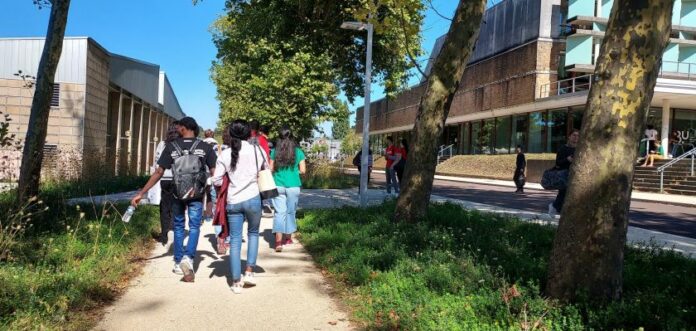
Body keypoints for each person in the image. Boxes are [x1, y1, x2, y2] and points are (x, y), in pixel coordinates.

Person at [131, 117, 217, 282]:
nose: (177, 129)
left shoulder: (172, 147)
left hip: (177, 193)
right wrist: (217, 195)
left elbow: (159, 172)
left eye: (179, 127)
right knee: (194, 226)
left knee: (178, 226)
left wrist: (142, 193)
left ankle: (178, 261)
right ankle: (189, 258)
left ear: (184, 128)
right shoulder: (204, 147)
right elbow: (215, 173)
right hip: (196, 195)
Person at [212, 120, 266, 294]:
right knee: (253, 234)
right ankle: (249, 272)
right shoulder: (257, 150)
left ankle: (236, 282)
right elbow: (266, 170)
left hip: (233, 200)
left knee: (235, 240)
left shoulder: (225, 154)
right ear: (248, 133)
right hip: (253, 198)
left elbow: (217, 180)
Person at [269, 126, 306, 252]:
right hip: (294, 185)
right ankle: (288, 238)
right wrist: (294, 172)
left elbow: (271, 169)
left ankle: (278, 242)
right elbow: (303, 170)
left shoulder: (274, 151)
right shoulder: (298, 152)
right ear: (292, 137)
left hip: (278, 184)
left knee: (279, 212)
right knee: (291, 211)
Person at [151, 123, 181, 247]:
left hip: (164, 178)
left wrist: (154, 176)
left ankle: (164, 236)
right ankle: (174, 230)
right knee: (177, 205)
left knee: (165, 206)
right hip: (178, 179)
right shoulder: (181, 144)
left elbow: (156, 161)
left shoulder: (162, 144)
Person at [549, 129, 579, 216]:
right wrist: (567, 159)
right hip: (564, 175)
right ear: (569, 136)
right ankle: (554, 206)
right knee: (563, 193)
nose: (576, 137)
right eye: (574, 135)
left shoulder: (579, 149)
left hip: (575, 175)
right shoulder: (563, 148)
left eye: (577, 136)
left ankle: (560, 209)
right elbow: (558, 162)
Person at [202, 129, 219, 223]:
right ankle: (210, 215)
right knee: (211, 193)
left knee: (202, 194)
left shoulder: (201, 144)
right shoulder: (217, 145)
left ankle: (200, 215)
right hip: (213, 170)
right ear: (213, 135)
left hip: (202, 171)